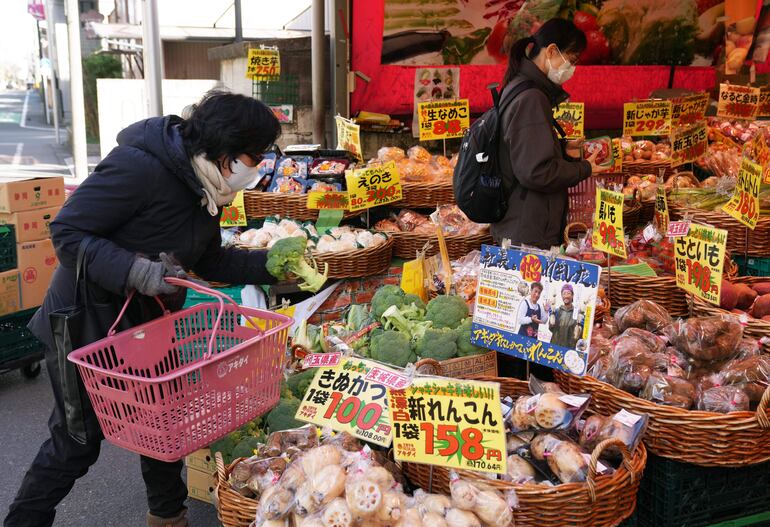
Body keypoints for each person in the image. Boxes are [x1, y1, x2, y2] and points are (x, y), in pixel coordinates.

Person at [5, 91, 282, 527]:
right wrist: (134, 270)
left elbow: (208, 259)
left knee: (164, 421)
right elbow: (67, 231)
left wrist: (277, 264)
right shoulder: (141, 166)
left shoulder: (207, 188)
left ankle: (167, 516)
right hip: (85, 320)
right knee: (77, 439)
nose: (259, 165)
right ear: (225, 147)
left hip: (149, 318)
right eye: (255, 154)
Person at [493, 18, 609, 249]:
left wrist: (561, 151)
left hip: (520, 222)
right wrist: (583, 168)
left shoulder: (520, 86)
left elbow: (525, 152)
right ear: (552, 51)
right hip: (528, 230)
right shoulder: (532, 98)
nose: (572, 69)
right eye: (572, 60)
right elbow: (536, 171)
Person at [549, 284, 580, 349]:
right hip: (554, 345)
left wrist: (579, 330)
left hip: (569, 348)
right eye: (564, 293)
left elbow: (578, 336)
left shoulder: (577, 314)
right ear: (561, 296)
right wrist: (551, 322)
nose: (566, 296)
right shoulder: (557, 311)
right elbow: (551, 329)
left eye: (568, 293)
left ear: (572, 295)